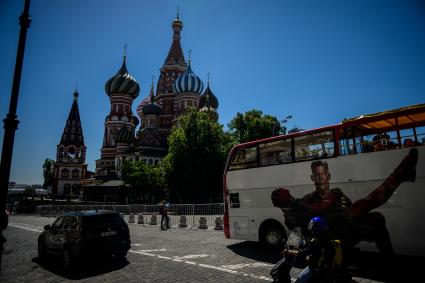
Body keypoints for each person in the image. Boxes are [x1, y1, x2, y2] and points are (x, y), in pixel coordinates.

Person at [271, 148, 418, 255]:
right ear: (312, 178)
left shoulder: (332, 196)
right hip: (330, 240)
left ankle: (400, 174)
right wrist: (291, 248)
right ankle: (400, 174)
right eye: (317, 175)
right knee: (362, 207)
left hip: (346, 229)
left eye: (323, 174)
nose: (321, 177)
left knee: (372, 215)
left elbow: (344, 207)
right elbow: (299, 228)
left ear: (328, 175)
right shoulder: (303, 204)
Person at [294, 217, 343, 283]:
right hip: (325, 267)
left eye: (312, 225)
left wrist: (290, 251)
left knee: (299, 281)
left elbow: (305, 252)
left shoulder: (317, 241)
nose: (311, 228)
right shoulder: (327, 237)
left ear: (317, 227)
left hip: (317, 268)